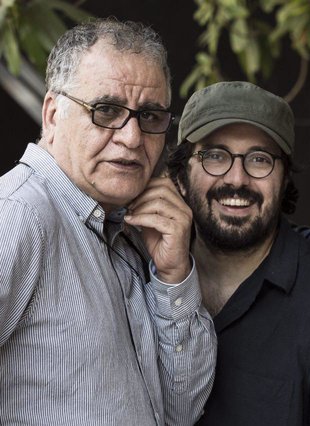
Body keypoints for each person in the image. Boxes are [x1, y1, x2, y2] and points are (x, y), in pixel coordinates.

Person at [0, 19, 216, 425]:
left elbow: (179, 412)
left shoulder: (122, 229)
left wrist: (173, 276)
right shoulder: (18, 214)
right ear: (53, 114)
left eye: (149, 116)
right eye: (107, 110)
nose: (132, 138)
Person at [166, 81, 310, 425]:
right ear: (181, 176)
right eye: (215, 156)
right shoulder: (141, 273)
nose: (236, 179)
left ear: (284, 181)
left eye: (259, 159)